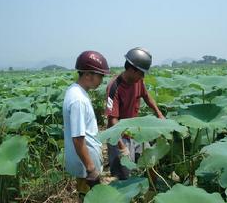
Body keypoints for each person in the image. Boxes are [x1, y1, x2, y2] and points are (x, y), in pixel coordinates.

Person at [105, 47, 165, 180]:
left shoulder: (138, 81)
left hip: (135, 132)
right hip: (119, 136)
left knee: (151, 163)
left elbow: (147, 96)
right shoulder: (114, 87)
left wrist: (159, 114)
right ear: (132, 69)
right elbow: (112, 120)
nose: (143, 77)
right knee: (124, 177)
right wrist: (122, 148)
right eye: (141, 73)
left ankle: (150, 193)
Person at [63, 51, 109, 199]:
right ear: (88, 74)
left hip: (84, 162)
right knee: (89, 198)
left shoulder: (75, 90)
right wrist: (91, 168)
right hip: (86, 165)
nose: (101, 80)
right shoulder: (78, 100)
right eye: (100, 75)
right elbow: (78, 138)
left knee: (85, 196)